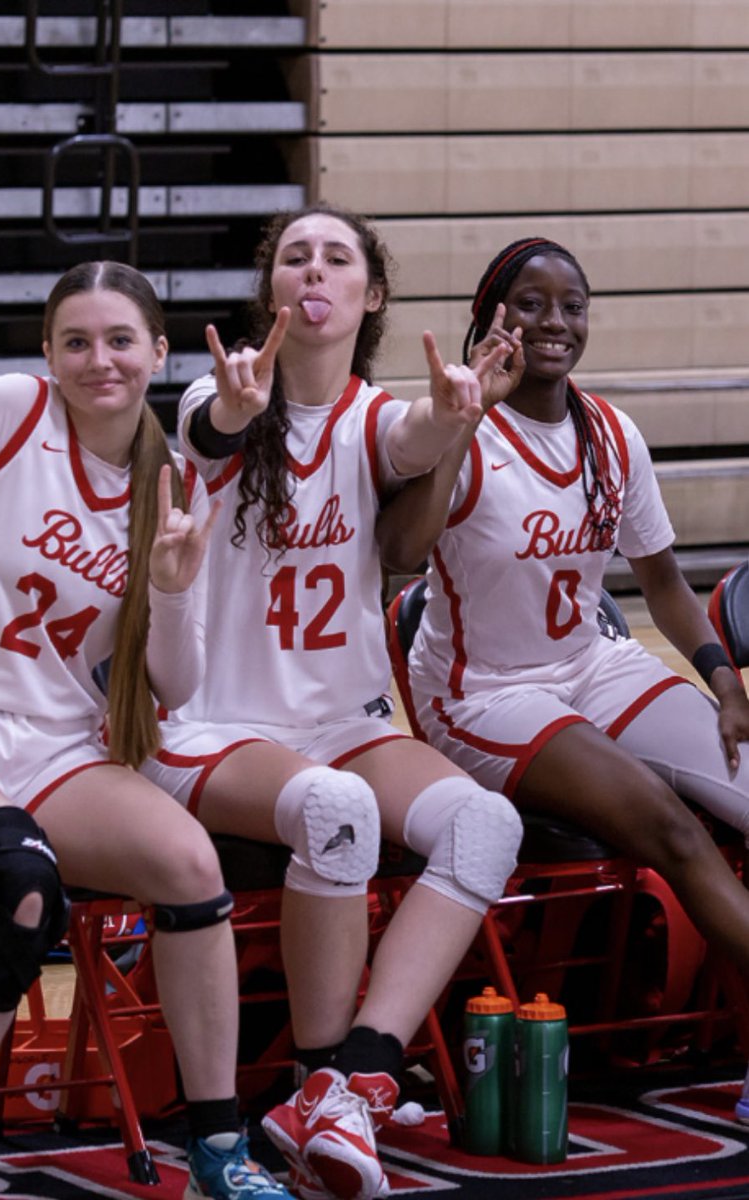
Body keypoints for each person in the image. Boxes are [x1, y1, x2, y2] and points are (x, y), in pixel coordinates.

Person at [0, 262, 294, 1200]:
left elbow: (176, 684)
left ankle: (215, 1146)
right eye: (75, 341)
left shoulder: (169, 486)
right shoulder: (7, 411)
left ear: (158, 353)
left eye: (120, 340)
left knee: (192, 866)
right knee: (19, 880)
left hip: (59, 750)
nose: (97, 360)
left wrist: (168, 587)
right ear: (48, 352)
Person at [138, 203, 524, 1200]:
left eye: (336, 256)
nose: (313, 269)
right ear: (273, 290)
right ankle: (321, 1083)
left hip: (346, 722)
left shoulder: (375, 417)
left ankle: (356, 1077)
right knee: (334, 810)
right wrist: (234, 402)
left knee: (485, 825)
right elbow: (218, 432)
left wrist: (461, 409)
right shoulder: (209, 400)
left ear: (371, 293)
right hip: (212, 725)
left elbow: (414, 435)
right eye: (293, 256)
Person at [375, 235, 749, 1121]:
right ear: (491, 318)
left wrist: (725, 686)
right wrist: (462, 416)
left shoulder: (612, 433)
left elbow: (661, 583)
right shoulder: (455, 423)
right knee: (670, 828)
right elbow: (398, 552)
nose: (553, 322)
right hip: (480, 696)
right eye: (531, 304)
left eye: (570, 306)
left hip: (593, 665)